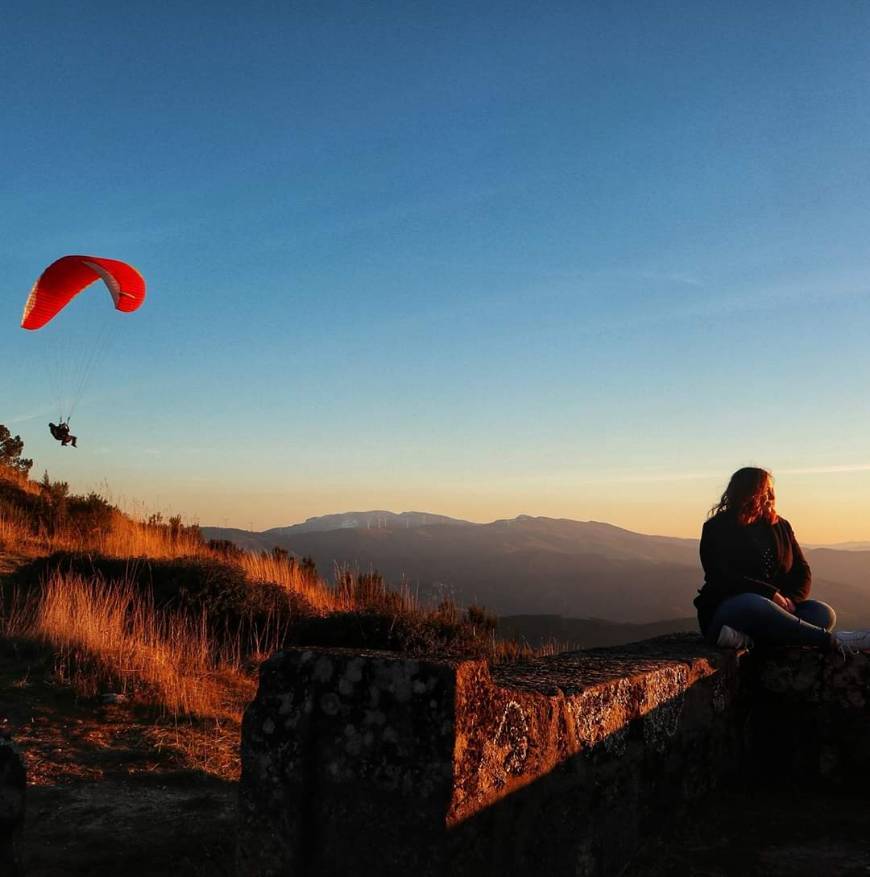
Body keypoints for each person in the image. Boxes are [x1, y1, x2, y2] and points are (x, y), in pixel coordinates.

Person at [694, 467, 870, 653]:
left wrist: (790, 599)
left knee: (823, 613)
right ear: (748, 493)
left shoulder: (781, 526)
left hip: (777, 608)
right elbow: (721, 577)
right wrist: (770, 595)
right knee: (753, 603)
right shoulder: (717, 528)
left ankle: (748, 640)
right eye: (766, 490)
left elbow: (802, 571)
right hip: (731, 608)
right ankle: (833, 641)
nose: (772, 495)